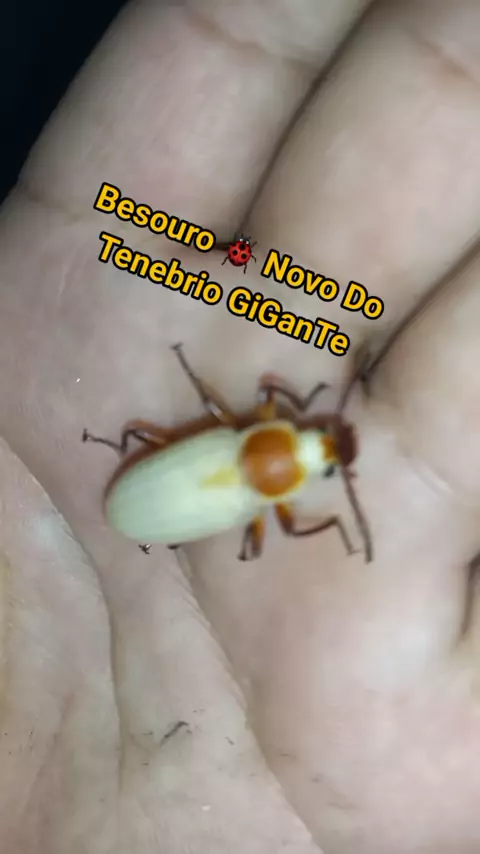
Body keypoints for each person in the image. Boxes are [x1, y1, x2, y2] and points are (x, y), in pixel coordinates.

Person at [1, 1, 480, 851]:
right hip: (182, 491)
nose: (315, 436)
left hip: (183, 482)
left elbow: (265, 402)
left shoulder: (255, 437)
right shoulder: (267, 479)